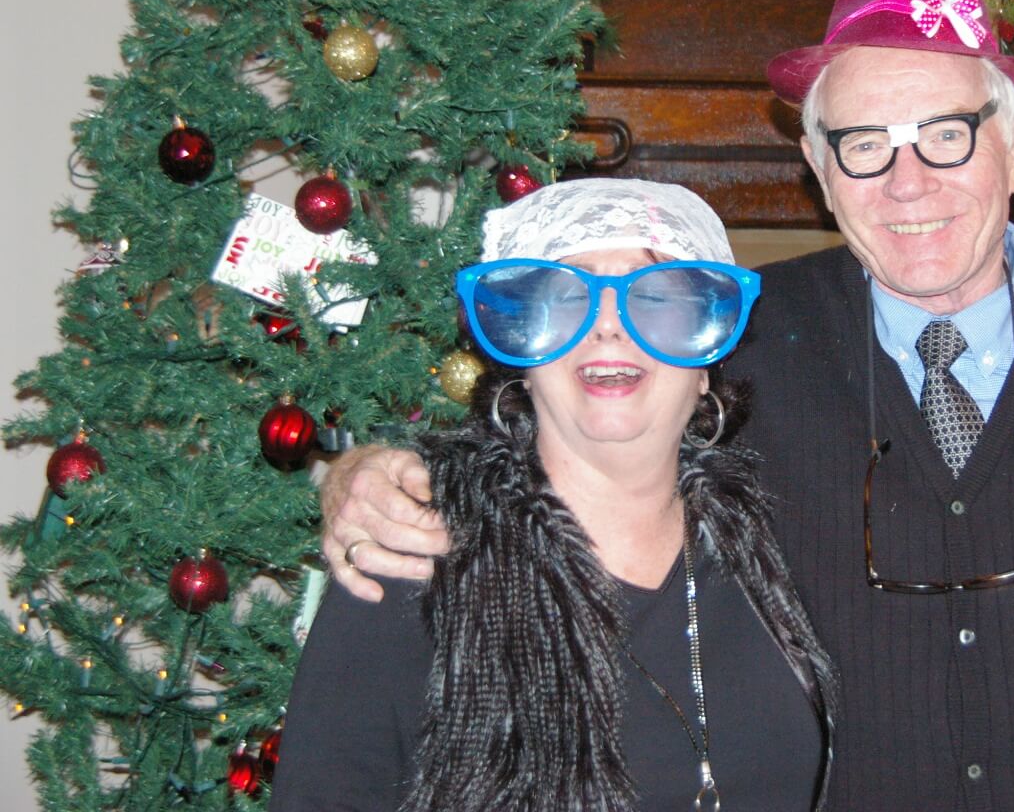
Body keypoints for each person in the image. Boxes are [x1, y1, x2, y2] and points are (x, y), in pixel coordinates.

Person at [321, 0, 1014, 811]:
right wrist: (370, 470)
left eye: (947, 134)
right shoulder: (726, 338)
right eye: (863, 146)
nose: (908, 183)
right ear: (816, 166)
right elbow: (555, 431)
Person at [272, 179, 835, 812]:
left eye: (656, 297)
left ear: (707, 357)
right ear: (523, 358)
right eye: (566, 297)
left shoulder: (774, 536)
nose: (609, 325)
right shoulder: (412, 555)